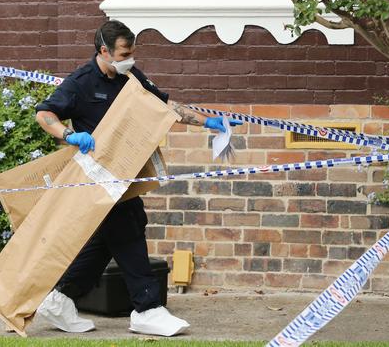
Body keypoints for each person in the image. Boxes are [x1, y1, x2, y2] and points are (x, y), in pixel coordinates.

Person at [34, 20, 242, 337]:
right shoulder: (81, 82)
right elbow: (45, 114)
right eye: (124, 52)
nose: (130, 57)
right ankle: (147, 308)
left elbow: (165, 106)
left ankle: (61, 298)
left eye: (132, 51)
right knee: (128, 227)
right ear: (104, 50)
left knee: (110, 239)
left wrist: (208, 122)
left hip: (125, 172)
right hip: (97, 176)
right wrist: (70, 135)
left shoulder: (130, 76)